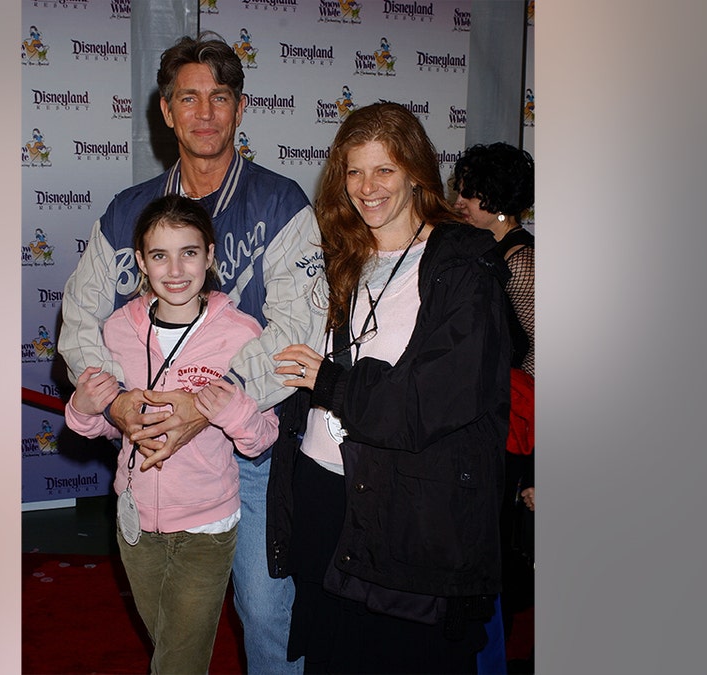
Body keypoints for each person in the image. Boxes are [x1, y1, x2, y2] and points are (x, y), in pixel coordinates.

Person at [58, 32, 323, 673]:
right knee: (175, 623)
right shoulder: (128, 213)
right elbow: (79, 318)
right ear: (167, 111)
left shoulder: (282, 202)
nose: (206, 113)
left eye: (220, 97)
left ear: (239, 108)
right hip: (155, 457)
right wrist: (119, 401)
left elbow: (298, 333)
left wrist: (203, 406)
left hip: (253, 446)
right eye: (190, 98)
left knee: (264, 612)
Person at [269, 102, 512, 673]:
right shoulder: (338, 256)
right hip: (324, 497)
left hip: (409, 511)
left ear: (416, 174)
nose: (367, 187)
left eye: (385, 170)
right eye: (354, 170)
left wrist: (331, 381)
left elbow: (431, 399)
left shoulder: (463, 266)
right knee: (330, 657)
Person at [65, 195, 279, 674]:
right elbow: (103, 427)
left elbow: (262, 437)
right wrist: (82, 408)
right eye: (160, 255)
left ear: (210, 256)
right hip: (134, 524)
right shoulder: (118, 329)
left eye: (189, 252)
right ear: (141, 261)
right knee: (170, 646)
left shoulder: (240, 333)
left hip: (207, 526)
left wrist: (236, 409)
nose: (176, 269)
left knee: (179, 659)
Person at [451, 141, 536, 673]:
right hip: (490, 421)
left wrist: (513, 399)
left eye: (469, 191)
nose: (459, 199)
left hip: (515, 429)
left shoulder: (520, 257)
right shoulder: (483, 249)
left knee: (494, 555)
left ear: (496, 198)